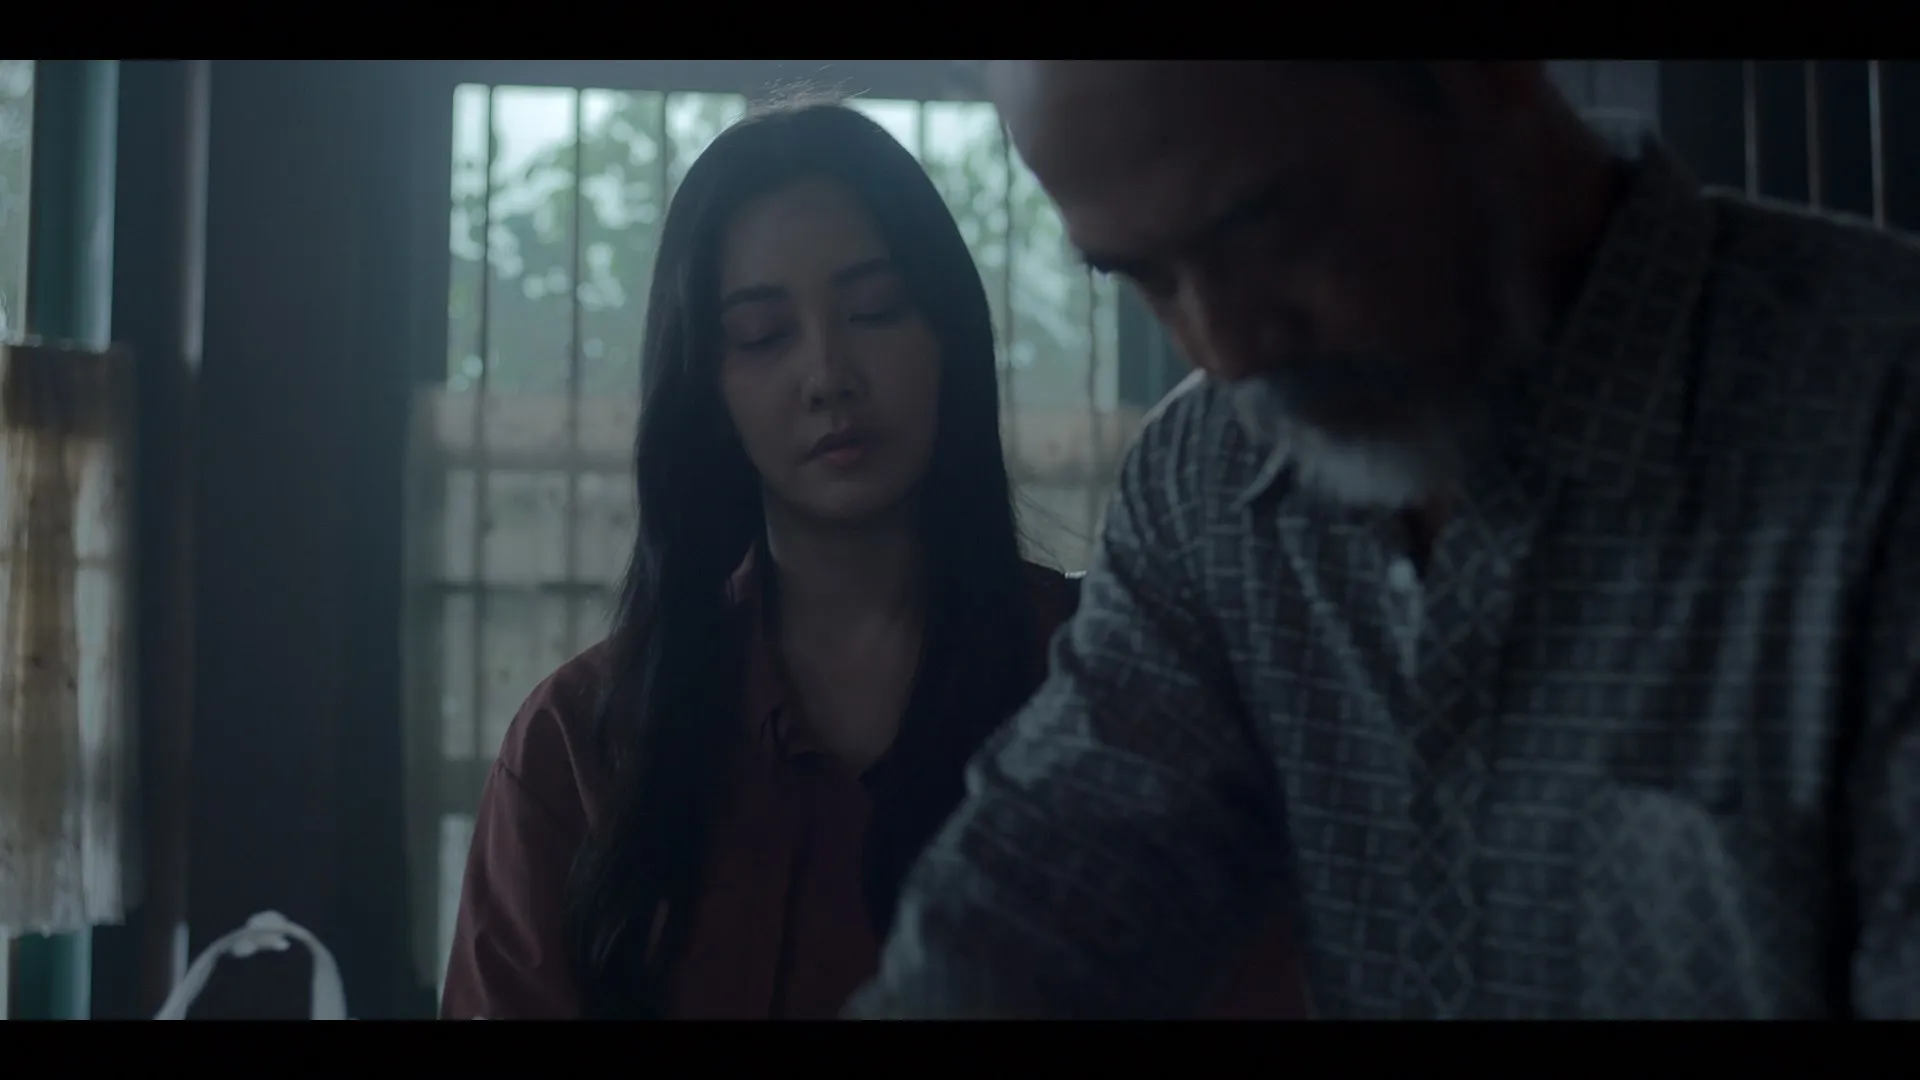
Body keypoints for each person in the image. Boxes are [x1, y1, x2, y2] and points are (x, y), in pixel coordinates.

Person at [848, 61, 1920, 1020]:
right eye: (1143, 277)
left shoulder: (1880, 428)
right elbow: (1039, 899)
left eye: (1265, 224)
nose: (1223, 348)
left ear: (1490, 75)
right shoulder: (1212, 482)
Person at [438, 97, 1303, 1020]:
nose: (829, 375)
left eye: (875, 309)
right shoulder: (580, 743)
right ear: (707, 389)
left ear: (948, 336)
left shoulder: (1118, 698)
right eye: (764, 335)